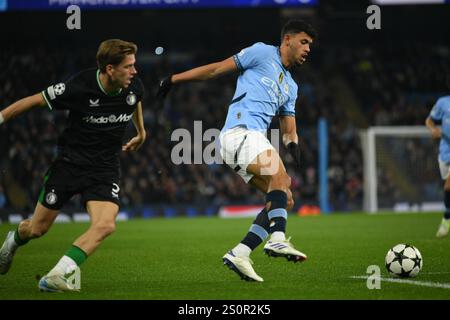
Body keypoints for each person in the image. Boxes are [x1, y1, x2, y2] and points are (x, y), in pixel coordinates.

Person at [156, 20, 316, 282]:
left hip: (249, 142)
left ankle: (240, 253)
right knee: (278, 175)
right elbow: (216, 70)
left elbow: (289, 128)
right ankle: (277, 239)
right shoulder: (263, 52)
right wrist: (173, 79)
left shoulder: (291, 86)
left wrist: (293, 145)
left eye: (310, 44)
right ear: (287, 40)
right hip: (239, 133)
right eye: (304, 42)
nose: (308, 48)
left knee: (284, 196)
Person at [0, 39, 146, 291]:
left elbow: (135, 101)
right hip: (69, 165)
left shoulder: (134, 86)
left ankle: (56, 276)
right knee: (36, 229)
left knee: (106, 224)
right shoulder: (78, 87)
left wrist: (141, 132)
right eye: (128, 66)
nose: (135, 71)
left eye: (134, 64)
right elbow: (33, 100)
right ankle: (13, 241)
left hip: (104, 169)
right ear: (110, 69)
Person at [426, 93, 450, 238]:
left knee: (448, 186)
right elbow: (429, 120)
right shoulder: (443, 102)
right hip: (445, 153)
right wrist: (433, 129)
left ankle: (446, 219)